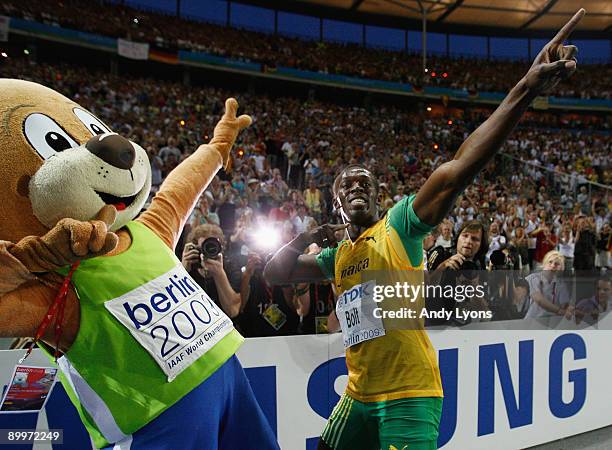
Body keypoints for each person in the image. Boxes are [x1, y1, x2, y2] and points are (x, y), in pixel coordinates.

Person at [264, 11, 585, 449]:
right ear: (336, 202)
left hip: (409, 394)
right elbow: (274, 274)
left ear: (379, 197)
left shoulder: (397, 226)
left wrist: (525, 89)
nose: (357, 186)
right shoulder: (334, 257)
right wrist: (304, 237)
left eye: (366, 183)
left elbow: (455, 171)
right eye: (346, 185)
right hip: (358, 394)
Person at [181, 224, 242, 318]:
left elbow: (232, 311)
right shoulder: (190, 268)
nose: (208, 252)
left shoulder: (230, 267)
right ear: (195, 249)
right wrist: (182, 272)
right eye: (204, 247)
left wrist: (219, 273)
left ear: (220, 248)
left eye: (212, 247)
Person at [525, 250, 573, 327]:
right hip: (532, 321)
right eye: (550, 262)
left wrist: (569, 308)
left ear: (561, 268)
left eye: (557, 264)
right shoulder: (533, 278)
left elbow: (565, 304)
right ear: (544, 264)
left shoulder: (561, 284)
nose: (553, 265)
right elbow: (539, 299)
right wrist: (559, 311)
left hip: (550, 324)